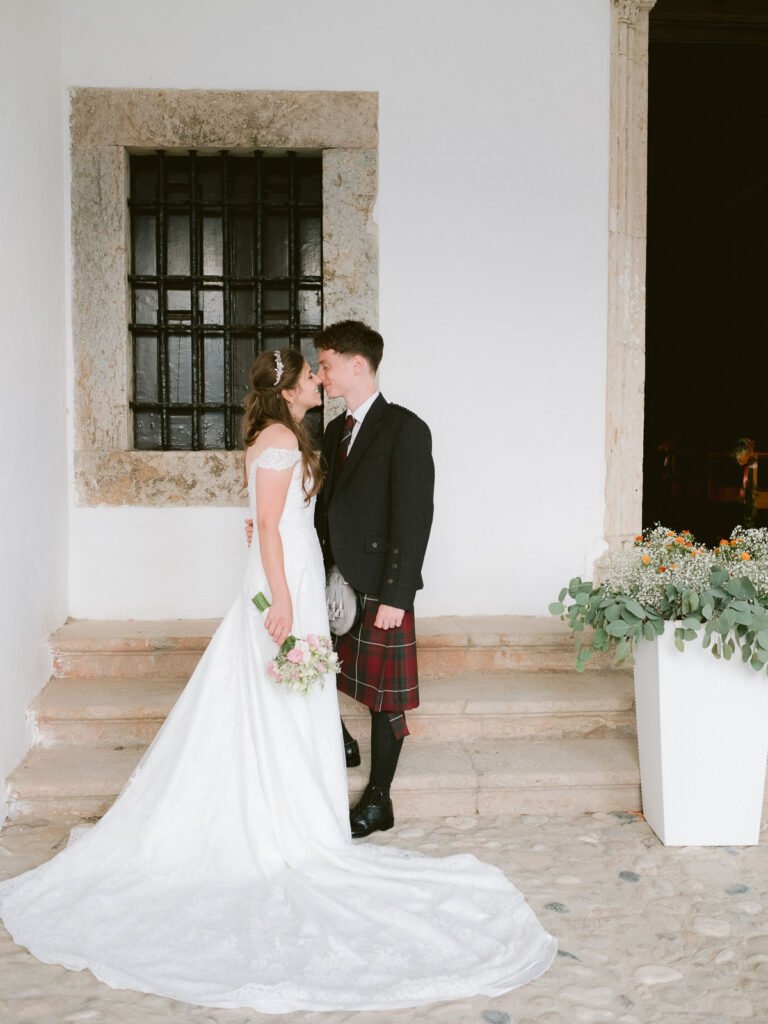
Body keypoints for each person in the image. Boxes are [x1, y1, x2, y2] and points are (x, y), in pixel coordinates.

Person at [0, 349, 556, 1012]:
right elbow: (267, 522)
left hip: (294, 568)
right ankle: (280, 819)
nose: (320, 379)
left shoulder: (288, 435)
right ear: (289, 390)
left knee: (288, 693)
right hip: (284, 580)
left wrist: (285, 565)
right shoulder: (280, 440)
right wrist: (283, 599)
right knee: (277, 689)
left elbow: (274, 517)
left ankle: (294, 808)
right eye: (310, 375)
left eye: (323, 370)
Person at [313, 320, 434, 838]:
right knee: (312, 669)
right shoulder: (333, 431)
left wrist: (396, 596)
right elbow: (326, 507)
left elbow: (414, 517)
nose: (320, 376)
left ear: (357, 364)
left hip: (380, 585)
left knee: (386, 697)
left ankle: (379, 798)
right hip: (333, 580)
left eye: (326, 365)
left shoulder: (405, 429)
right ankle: (342, 740)